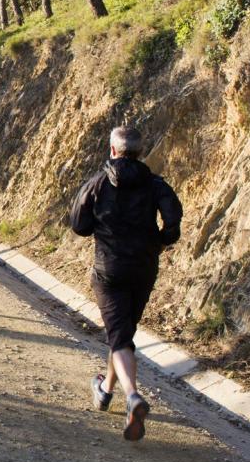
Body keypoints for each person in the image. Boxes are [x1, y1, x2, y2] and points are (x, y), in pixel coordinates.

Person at [65, 125, 182, 441]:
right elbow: (173, 223)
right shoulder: (156, 184)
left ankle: (132, 396)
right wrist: (156, 241)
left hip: (110, 270)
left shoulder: (98, 183)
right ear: (140, 152)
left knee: (119, 339)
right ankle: (104, 390)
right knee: (123, 335)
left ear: (112, 150)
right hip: (144, 269)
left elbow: (79, 225)